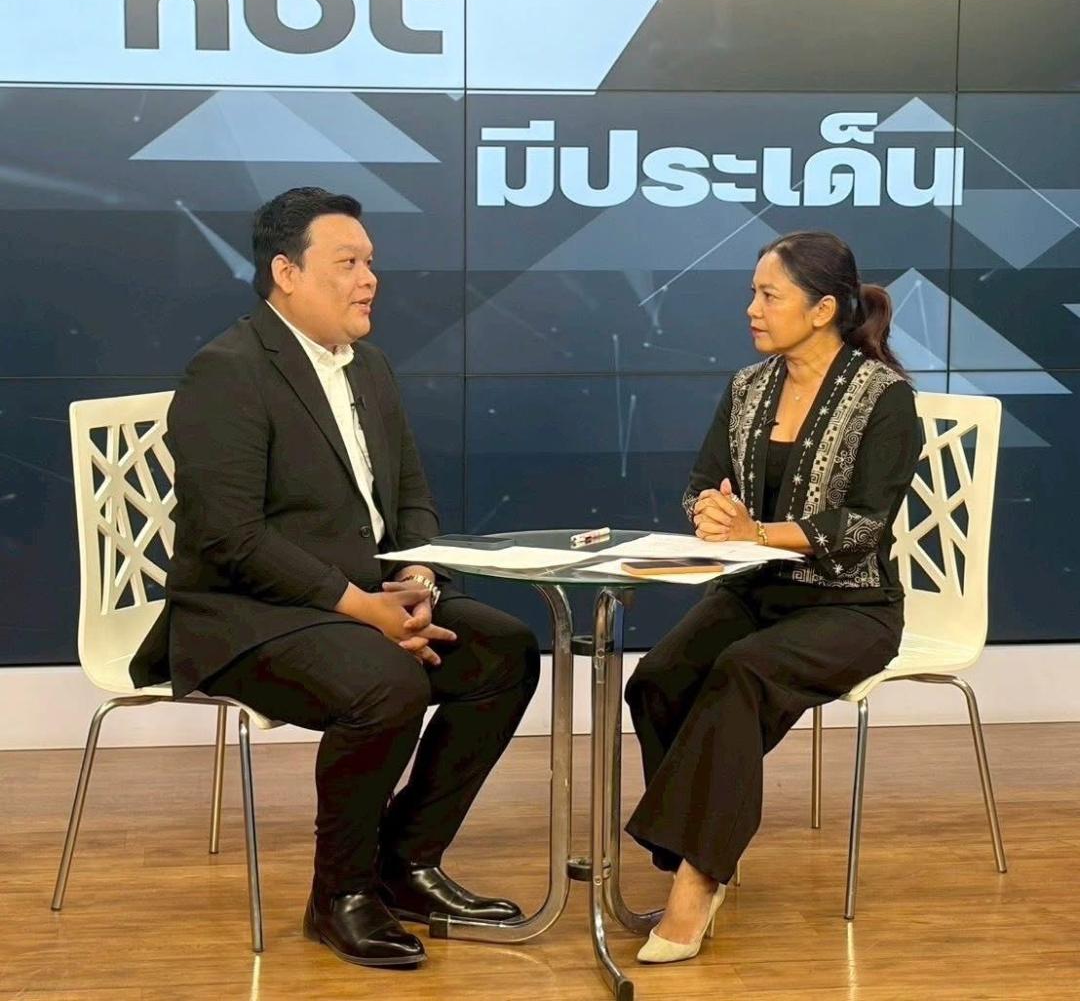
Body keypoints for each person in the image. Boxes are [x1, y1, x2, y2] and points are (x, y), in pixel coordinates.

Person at [131, 187, 540, 970]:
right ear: (286, 273)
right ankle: (340, 894)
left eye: (370, 262)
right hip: (244, 615)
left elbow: (410, 497)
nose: (369, 279)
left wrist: (416, 577)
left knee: (504, 651)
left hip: (363, 600)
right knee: (388, 682)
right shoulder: (229, 371)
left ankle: (406, 863)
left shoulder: (370, 367)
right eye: (347, 262)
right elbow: (230, 538)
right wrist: (363, 609)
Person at [626, 231, 921, 964]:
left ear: (822, 309)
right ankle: (701, 849)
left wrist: (756, 529)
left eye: (768, 295)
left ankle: (697, 883)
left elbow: (862, 525)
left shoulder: (885, 398)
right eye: (753, 293)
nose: (751, 309)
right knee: (658, 681)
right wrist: (711, 513)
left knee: (740, 674)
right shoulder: (748, 387)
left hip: (852, 606)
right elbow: (703, 482)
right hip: (758, 592)